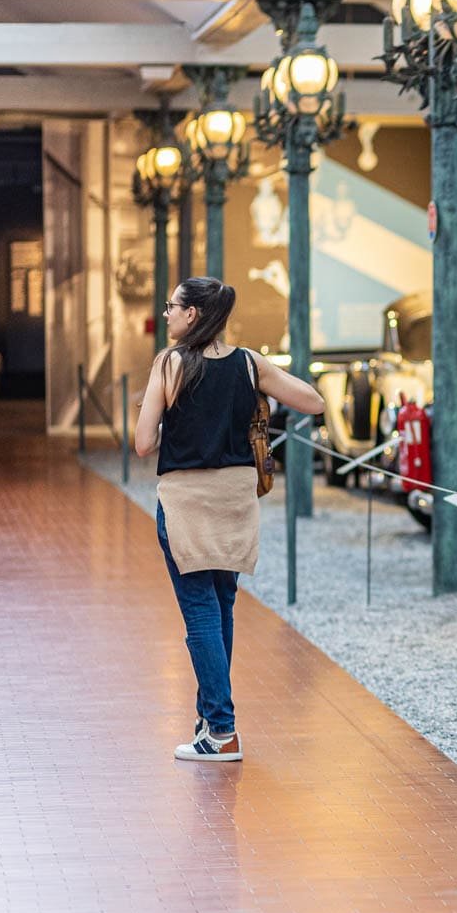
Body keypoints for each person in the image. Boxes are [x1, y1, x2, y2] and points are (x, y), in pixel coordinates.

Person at [134, 277, 324, 762]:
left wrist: (159, 410)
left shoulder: (170, 363)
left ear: (193, 314)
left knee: (199, 612)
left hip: (186, 501)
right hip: (236, 500)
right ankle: (207, 718)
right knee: (221, 607)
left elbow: (142, 443)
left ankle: (221, 731)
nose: (167, 312)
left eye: (173, 305)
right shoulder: (249, 362)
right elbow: (313, 402)